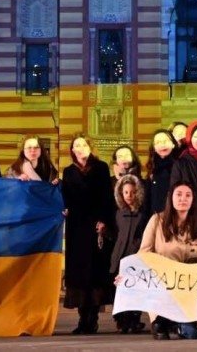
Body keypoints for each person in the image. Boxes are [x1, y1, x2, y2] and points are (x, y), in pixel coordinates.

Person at [138, 181, 197, 339]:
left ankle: (177, 324)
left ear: (194, 199)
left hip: (189, 288)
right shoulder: (156, 221)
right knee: (160, 331)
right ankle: (164, 321)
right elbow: (143, 254)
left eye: (188, 195)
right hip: (162, 285)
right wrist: (128, 274)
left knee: (196, 334)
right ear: (170, 198)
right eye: (178, 194)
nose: (183, 199)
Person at [62, 133, 116, 335]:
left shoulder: (101, 168)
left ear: (89, 147)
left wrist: (104, 221)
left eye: (83, 144)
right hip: (76, 229)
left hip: (95, 227)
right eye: (76, 145)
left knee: (94, 274)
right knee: (78, 275)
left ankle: (92, 319)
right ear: (73, 150)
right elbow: (65, 197)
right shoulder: (68, 172)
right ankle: (82, 319)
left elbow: (106, 197)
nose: (80, 148)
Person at [109, 174, 149, 334]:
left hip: (136, 257)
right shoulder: (118, 214)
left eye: (132, 192)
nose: (129, 196)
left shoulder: (142, 215)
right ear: (121, 194)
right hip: (119, 256)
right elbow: (115, 233)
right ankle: (122, 320)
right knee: (119, 290)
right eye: (126, 193)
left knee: (136, 289)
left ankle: (134, 319)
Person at [146, 130, 179, 215]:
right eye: (158, 142)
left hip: (175, 216)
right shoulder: (152, 167)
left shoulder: (180, 166)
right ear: (154, 148)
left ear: (173, 144)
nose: (162, 144)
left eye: (166, 141)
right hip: (156, 217)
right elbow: (148, 199)